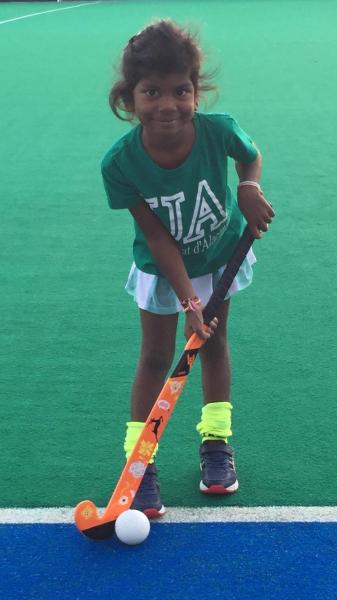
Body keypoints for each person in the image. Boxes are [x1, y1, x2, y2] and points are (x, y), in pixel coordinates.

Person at [101, 19, 274, 518]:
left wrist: (249, 189)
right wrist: (189, 301)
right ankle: (141, 461)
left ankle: (216, 443)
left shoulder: (218, 130)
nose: (168, 104)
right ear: (129, 99)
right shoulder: (121, 164)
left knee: (213, 344)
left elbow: (251, 157)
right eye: (151, 92)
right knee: (156, 356)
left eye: (181, 90)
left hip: (218, 256)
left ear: (196, 91)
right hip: (162, 270)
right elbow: (156, 237)